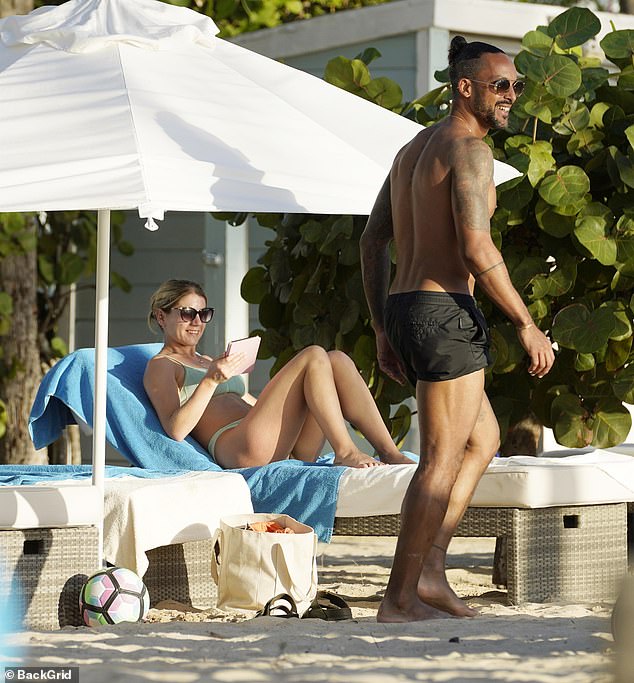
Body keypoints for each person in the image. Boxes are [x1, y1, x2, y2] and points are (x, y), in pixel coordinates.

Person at [360, 37, 555, 622]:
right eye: (501, 86)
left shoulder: (410, 150)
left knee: (481, 440)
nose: (512, 96)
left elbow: (373, 241)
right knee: (440, 461)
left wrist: (381, 327)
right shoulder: (468, 148)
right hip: (443, 311)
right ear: (465, 87)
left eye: (516, 86)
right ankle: (398, 598)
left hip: (408, 306)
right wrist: (526, 324)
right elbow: (475, 244)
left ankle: (430, 573)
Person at [143, 279, 414, 470]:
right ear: (161, 316)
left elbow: (253, 405)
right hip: (242, 449)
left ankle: (390, 452)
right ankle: (344, 451)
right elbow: (175, 429)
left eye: (204, 313)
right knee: (313, 354)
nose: (197, 322)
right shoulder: (162, 365)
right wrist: (211, 381)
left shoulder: (209, 360)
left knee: (337, 360)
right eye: (188, 313)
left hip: (277, 443)